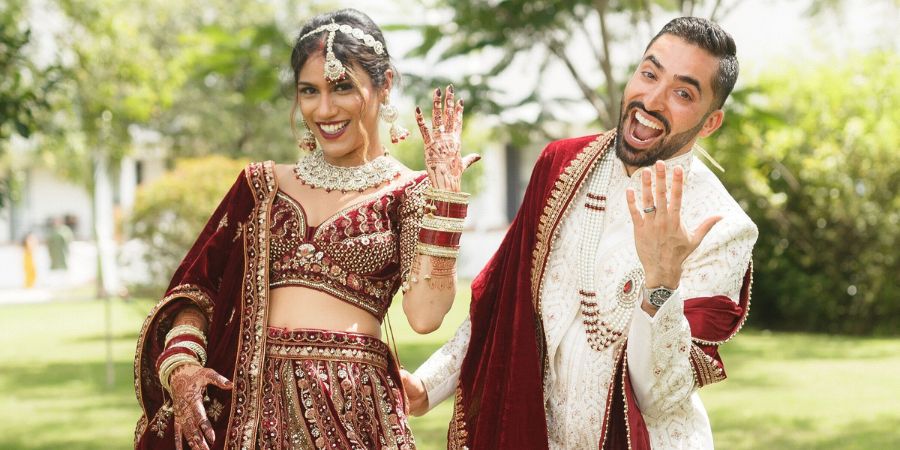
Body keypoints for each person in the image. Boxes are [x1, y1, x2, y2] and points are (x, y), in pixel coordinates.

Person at [403, 17, 757, 449]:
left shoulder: (721, 226)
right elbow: (502, 307)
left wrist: (662, 281)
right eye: (649, 74)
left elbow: (660, 395)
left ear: (710, 122)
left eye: (683, 93)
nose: (652, 100)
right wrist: (426, 386)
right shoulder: (561, 166)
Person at [134, 8, 477, 450]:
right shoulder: (261, 187)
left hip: (354, 407)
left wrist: (445, 201)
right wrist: (183, 367)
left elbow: (425, 316)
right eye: (309, 91)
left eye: (342, 87)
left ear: (385, 85)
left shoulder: (408, 193)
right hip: (251, 411)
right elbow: (196, 291)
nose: (324, 109)